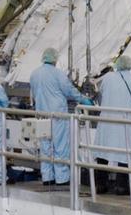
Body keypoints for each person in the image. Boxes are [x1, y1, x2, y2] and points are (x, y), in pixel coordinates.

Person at [28, 47, 92, 186]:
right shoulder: (58, 74)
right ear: (55, 59)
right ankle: (62, 178)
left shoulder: (34, 74)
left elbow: (34, 93)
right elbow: (69, 91)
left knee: (45, 146)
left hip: (41, 114)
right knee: (60, 146)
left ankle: (47, 177)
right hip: (57, 115)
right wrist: (83, 99)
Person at [93, 54, 131, 193]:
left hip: (106, 120)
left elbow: (100, 95)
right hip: (125, 121)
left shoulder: (107, 79)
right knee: (125, 154)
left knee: (102, 153)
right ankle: (121, 187)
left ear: (117, 65)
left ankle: (100, 185)